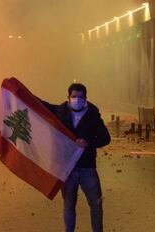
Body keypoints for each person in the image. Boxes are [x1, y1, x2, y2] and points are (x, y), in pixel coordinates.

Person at [40, 83, 111, 232]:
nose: (77, 99)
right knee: (69, 204)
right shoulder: (60, 112)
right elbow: (40, 105)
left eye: (80, 97)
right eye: (74, 96)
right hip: (67, 168)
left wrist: (88, 143)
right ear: (68, 97)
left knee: (96, 204)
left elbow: (105, 138)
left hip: (87, 168)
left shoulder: (92, 115)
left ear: (85, 98)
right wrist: (17, 89)